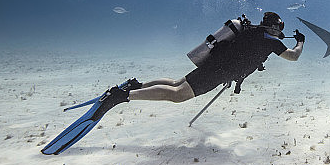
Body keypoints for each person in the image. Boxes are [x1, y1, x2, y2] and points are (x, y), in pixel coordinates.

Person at [98, 11, 304, 114]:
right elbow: (293, 56)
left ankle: (135, 85)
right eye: (280, 27)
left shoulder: (250, 31)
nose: (280, 31)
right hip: (218, 72)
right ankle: (123, 95)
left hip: (215, 65)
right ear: (275, 27)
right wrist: (300, 42)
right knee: (178, 95)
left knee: (177, 83)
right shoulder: (272, 42)